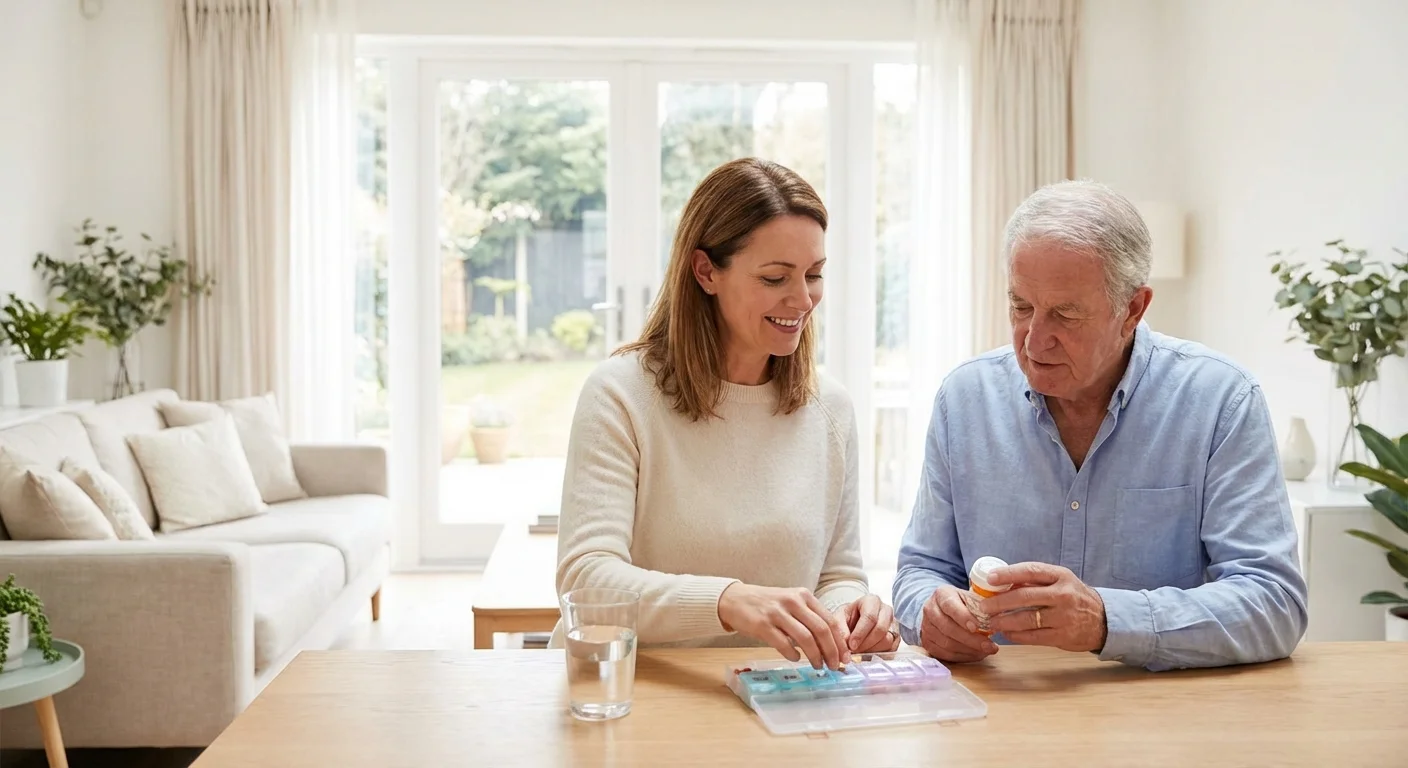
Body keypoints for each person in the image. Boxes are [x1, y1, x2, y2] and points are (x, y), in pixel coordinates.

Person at [892, 179, 1309, 672]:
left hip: (1162, 721)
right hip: (1000, 712)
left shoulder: (1221, 400)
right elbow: (921, 571)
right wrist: (929, 613)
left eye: (1065, 315)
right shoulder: (964, 399)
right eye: (1021, 307)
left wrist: (1107, 621)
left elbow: (1274, 603)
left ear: (1132, 309)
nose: (1034, 340)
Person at [553, 157, 899, 669]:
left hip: (774, 693)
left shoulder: (831, 408)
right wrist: (729, 602)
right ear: (705, 271)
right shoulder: (620, 394)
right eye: (775, 277)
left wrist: (850, 614)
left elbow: (837, 574)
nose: (802, 299)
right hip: (636, 687)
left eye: (815, 274)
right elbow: (587, 578)